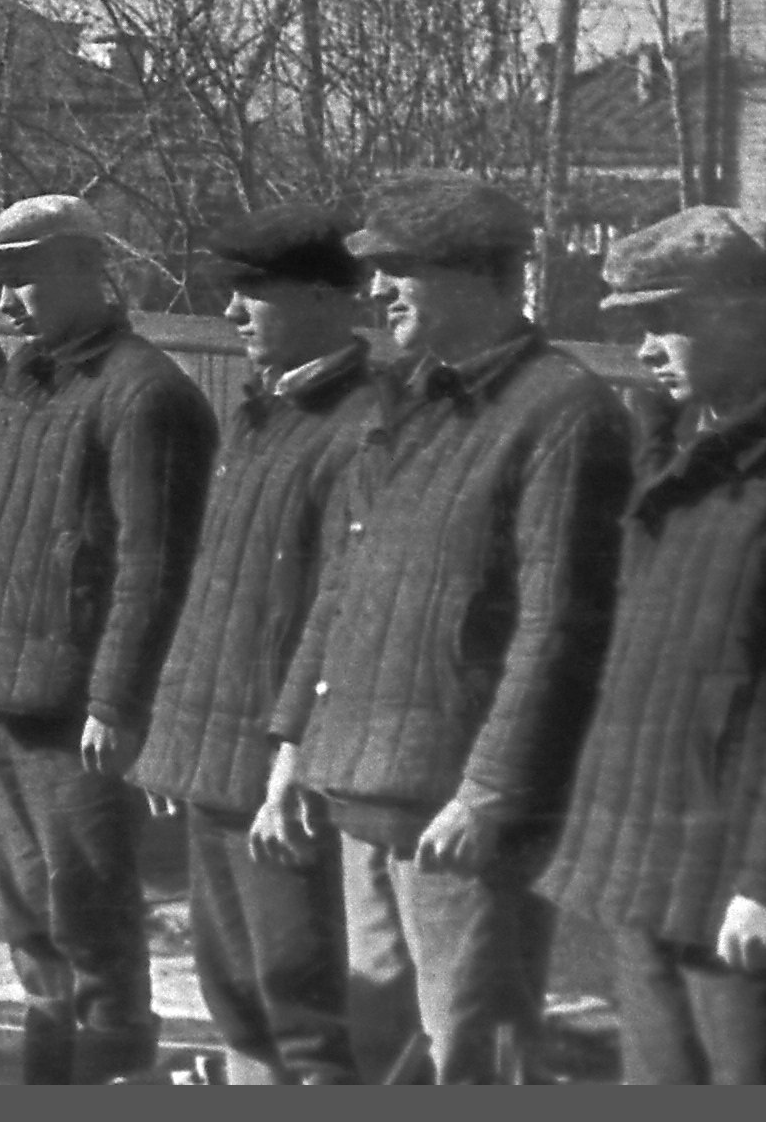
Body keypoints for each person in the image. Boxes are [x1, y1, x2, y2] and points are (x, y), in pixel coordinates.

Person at [268, 175, 629, 1083]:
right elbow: (341, 587)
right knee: (383, 1043)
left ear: (484, 279)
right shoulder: (403, 402)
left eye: (402, 271)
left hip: (458, 807)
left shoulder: (564, 412)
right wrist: (294, 749)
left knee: (471, 1049)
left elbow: (559, 627)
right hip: (360, 783)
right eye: (374, 272)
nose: (376, 291)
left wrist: (490, 792)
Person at [0, 194, 218, 1084]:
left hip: (79, 703)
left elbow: (152, 567)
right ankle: (50, 1063)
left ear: (85, 270)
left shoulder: (147, 394)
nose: (6, 302)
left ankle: (113, 1055)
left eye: (20, 280)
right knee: (28, 905)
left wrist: (118, 699)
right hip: (11, 689)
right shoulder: (28, 380)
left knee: (90, 902)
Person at [127, 206, 370, 1084]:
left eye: (252, 293)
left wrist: (291, 758)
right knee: (233, 989)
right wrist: (172, 746)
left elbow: (338, 612)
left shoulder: (363, 425)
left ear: (323, 296)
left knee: (300, 999)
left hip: (282, 768)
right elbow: (212, 593)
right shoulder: (257, 411)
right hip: (213, 752)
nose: (230, 312)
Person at [537, 206, 766, 1083]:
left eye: (666, 319)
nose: (644, 347)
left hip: (733, 879)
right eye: (634, 325)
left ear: (745, 313)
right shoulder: (671, 456)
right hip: (651, 857)